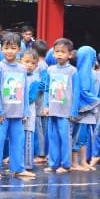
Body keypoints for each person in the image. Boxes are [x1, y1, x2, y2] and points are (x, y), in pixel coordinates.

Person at [0, 33, 35, 181]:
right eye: (6, 48)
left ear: (19, 50)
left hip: (18, 113)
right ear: (1, 49)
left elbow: (25, 91)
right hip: (3, 113)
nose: (9, 51)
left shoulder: (22, 69)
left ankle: (18, 168)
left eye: (13, 48)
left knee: (18, 140)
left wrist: (26, 110)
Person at [42, 38, 78, 173]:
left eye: (63, 52)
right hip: (52, 110)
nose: (59, 54)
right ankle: (53, 163)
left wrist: (73, 111)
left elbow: (76, 92)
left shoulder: (72, 71)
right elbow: (46, 89)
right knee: (52, 137)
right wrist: (46, 105)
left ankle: (66, 164)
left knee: (65, 138)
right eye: (56, 51)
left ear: (70, 54)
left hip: (65, 111)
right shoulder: (50, 70)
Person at [21, 49, 44, 171]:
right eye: (26, 62)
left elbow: (31, 97)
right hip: (17, 113)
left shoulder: (35, 79)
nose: (29, 65)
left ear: (36, 65)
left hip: (28, 113)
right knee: (18, 139)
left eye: (32, 63)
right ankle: (19, 164)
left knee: (28, 137)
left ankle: (28, 164)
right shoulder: (19, 75)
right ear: (20, 61)